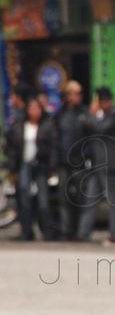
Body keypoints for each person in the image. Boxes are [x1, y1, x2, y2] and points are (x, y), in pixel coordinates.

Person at [77, 87, 115, 244]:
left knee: (113, 200)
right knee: (90, 199)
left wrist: (91, 114)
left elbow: (100, 128)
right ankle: (83, 232)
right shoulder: (101, 114)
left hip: (108, 164)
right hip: (96, 164)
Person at [5, 97, 58, 240]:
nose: (35, 112)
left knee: (43, 201)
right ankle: (26, 231)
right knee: (24, 198)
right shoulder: (19, 126)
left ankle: (48, 232)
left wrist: (52, 167)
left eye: (37, 109)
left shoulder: (47, 125)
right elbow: (11, 148)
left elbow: (53, 147)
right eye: (32, 108)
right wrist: (12, 168)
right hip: (24, 164)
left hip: (40, 165)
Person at [55, 80, 88, 240]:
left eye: (80, 93)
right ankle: (65, 231)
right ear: (68, 96)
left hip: (80, 162)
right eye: (75, 93)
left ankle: (80, 231)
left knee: (81, 198)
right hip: (63, 162)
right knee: (64, 197)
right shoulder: (60, 114)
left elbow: (91, 135)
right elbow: (55, 137)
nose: (78, 96)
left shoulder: (84, 112)